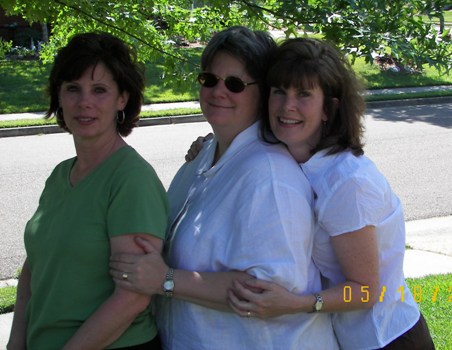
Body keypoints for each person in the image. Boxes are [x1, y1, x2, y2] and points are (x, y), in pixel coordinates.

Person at [110, 26, 339, 349]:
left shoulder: (269, 176)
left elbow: (265, 292)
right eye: (209, 79)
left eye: (235, 84)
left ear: (262, 93)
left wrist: (166, 280)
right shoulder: (204, 154)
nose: (219, 91)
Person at [223, 37, 435, 349]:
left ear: (328, 108)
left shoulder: (347, 183)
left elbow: (365, 291)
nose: (287, 106)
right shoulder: (298, 157)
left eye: (304, 94)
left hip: (386, 338)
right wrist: (210, 149)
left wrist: (295, 303)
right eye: (279, 91)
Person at [7, 32, 168, 350]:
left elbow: (132, 296)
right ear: (60, 97)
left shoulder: (131, 179)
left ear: (122, 98)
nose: (85, 102)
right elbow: (34, 269)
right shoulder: (59, 175)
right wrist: (16, 343)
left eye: (99, 90)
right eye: (73, 89)